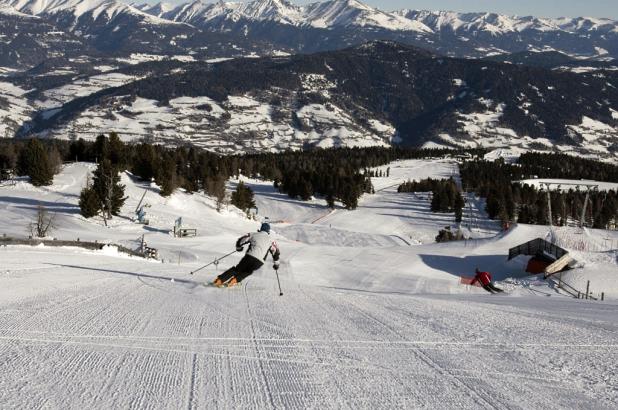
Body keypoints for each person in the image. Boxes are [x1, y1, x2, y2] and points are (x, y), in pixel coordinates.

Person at [213, 223, 280, 287]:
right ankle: (234, 281)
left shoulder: (253, 234)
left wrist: (239, 247)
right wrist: (276, 264)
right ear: (268, 231)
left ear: (260, 229)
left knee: (237, 269)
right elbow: (276, 252)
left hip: (250, 257)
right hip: (259, 262)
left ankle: (220, 280)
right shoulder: (271, 241)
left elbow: (242, 240)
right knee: (248, 271)